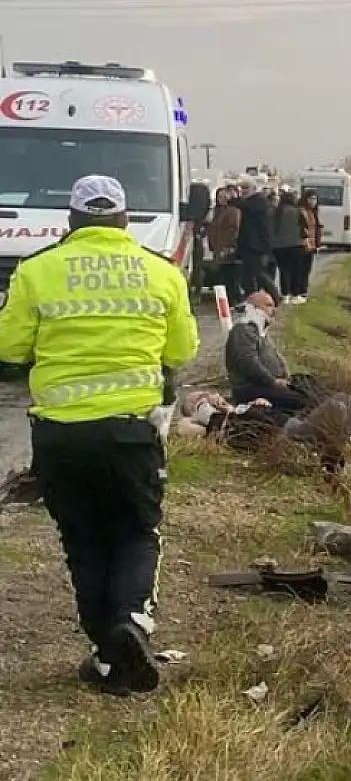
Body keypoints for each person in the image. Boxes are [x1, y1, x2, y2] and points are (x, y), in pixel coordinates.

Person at [0, 175, 199, 695]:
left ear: (72, 222)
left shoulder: (36, 271)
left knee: (83, 541)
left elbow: (9, 349)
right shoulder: (162, 272)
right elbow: (181, 351)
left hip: (60, 437)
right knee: (136, 532)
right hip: (130, 434)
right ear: (124, 221)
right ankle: (131, 623)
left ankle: (109, 661)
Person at [225, 291, 313, 413]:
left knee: (310, 385)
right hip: (251, 388)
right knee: (300, 400)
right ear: (254, 307)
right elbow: (248, 363)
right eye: (268, 305)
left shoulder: (260, 332)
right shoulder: (242, 330)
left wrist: (287, 379)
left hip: (268, 384)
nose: (274, 310)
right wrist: (273, 382)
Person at [232, 178, 282, 302]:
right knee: (249, 275)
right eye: (241, 188)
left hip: (256, 245)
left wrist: (233, 198)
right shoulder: (252, 202)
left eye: (246, 188)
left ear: (254, 189)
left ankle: (275, 297)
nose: (243, 191)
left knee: (258, 274)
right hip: (249, 244)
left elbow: (243, 205)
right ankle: (252, 299)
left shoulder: (259, 201)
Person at [206, 186, 243, 298]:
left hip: (227, 247)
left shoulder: (233, 211)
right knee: (221, 274)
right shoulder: (216, 211)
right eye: (219, 197)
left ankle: (233, 299)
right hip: (217, 246)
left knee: (229, 276)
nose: (221, 199)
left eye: (223, 196)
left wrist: (229, 247)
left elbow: (234, 229)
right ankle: (226, 299)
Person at [271, 190, 308, 305]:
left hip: (279, 246)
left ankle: (285, 294)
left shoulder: (277, 212)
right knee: (296, 271)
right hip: (296, 245)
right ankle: (295, 295)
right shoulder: (298, 211)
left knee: (284, 271)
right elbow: (305, 226)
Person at [297, 190, 323, 303]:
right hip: (303, 245)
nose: (313, 201)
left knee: (307, 270)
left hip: (311, 246)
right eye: (311, 199)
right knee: (301, 270)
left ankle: (303, 292)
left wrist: (317, 244)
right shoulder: (302, 211)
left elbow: (316, 229)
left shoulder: (314, 212)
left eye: (315, 199)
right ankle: (300, 292)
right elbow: (302, 229)